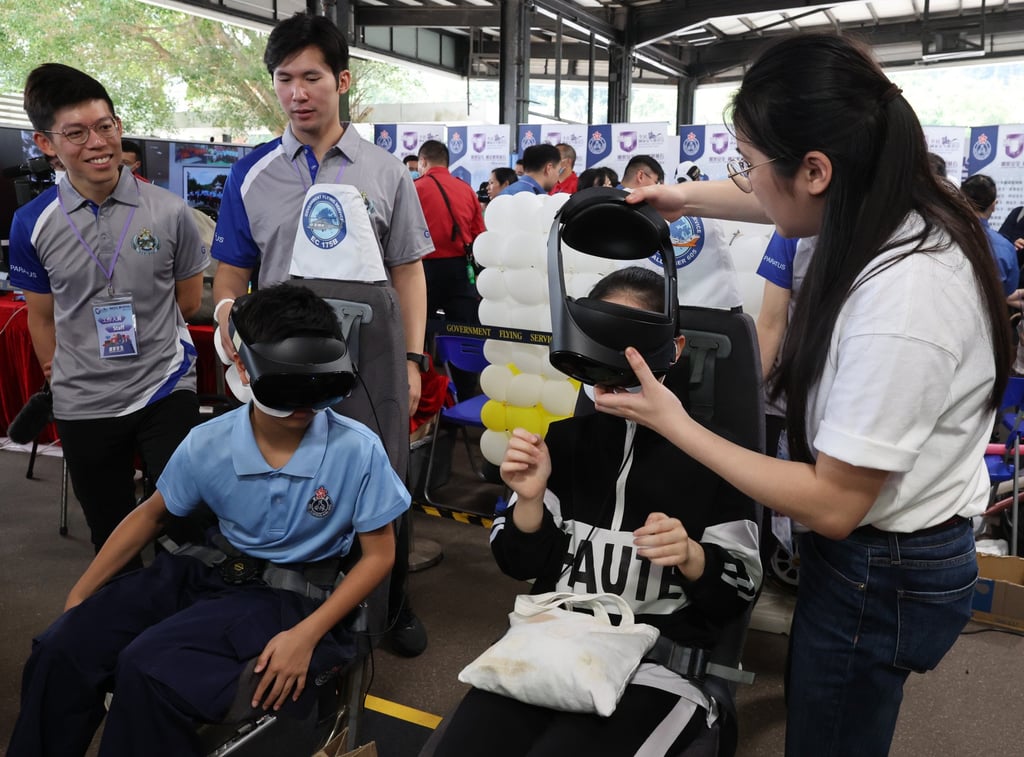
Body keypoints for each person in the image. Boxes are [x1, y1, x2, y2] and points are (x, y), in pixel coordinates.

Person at [615, 33, 1012, 756]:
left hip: (880, 565)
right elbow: (771, 199)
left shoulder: (906, 298)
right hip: (880, 548)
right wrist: (679, 196)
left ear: (817, 168)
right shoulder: (873, 200)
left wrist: (678, 423)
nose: (745, 178)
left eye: (749, 161)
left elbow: (833, 502)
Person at [6, 283, 409, 757]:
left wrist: (307, 635)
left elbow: (380, 555)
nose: (303, 408)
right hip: (206, 571)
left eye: (316, 389)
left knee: (149, 670)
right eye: (287, 389)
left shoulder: (355, 448)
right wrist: (82, 593)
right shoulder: (209, 442)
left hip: (286, 596)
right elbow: (152, 514)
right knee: (62, 648)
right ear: (241, 367)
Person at [432, 267, 760, 757]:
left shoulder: (719, 457)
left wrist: (694, 557)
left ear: (673, 349)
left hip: (658, 669)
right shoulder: (563, 441)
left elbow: (739, 593)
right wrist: (527, 499)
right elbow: (519, 563)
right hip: (552, 646)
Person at [210, 12, 432, 657]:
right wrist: (228, 315)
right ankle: (290, 600)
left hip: (372, 361)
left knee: (382, 476)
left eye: (311, 77)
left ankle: (390, 605)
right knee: (291, 478)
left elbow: (409, 272)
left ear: (342, 80)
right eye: (284, 79)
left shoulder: (386, 170)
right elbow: (230, 278)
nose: (297, 92)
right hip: (281, 364)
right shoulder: (251, 174)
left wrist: (414, 359)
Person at [8, 63, 208, 565]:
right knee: (110, 533)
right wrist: (61, 373)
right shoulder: (33, 223)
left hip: (165, 383)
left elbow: (187, 301)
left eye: (105, 126)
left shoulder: (168, 210)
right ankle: (121, 622)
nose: (97, 142)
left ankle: (178, 624)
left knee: (181, 515)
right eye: (75, 133)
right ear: (46, 143)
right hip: (84, 400)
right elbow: (41, 318)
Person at [414, 139, 484, 328]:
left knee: (419, 328)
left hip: (423, 270)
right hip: (461, 270)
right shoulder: (466, 189)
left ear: (423, 161)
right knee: (463, 328)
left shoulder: (415, 188)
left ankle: (424, 357)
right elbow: (479, 233)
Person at [961, 173, 1019, 297]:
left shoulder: (941, 237)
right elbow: (1009, 290)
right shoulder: (1005, 247)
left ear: (961, 201)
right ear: (993, 205)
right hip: (986, 314)